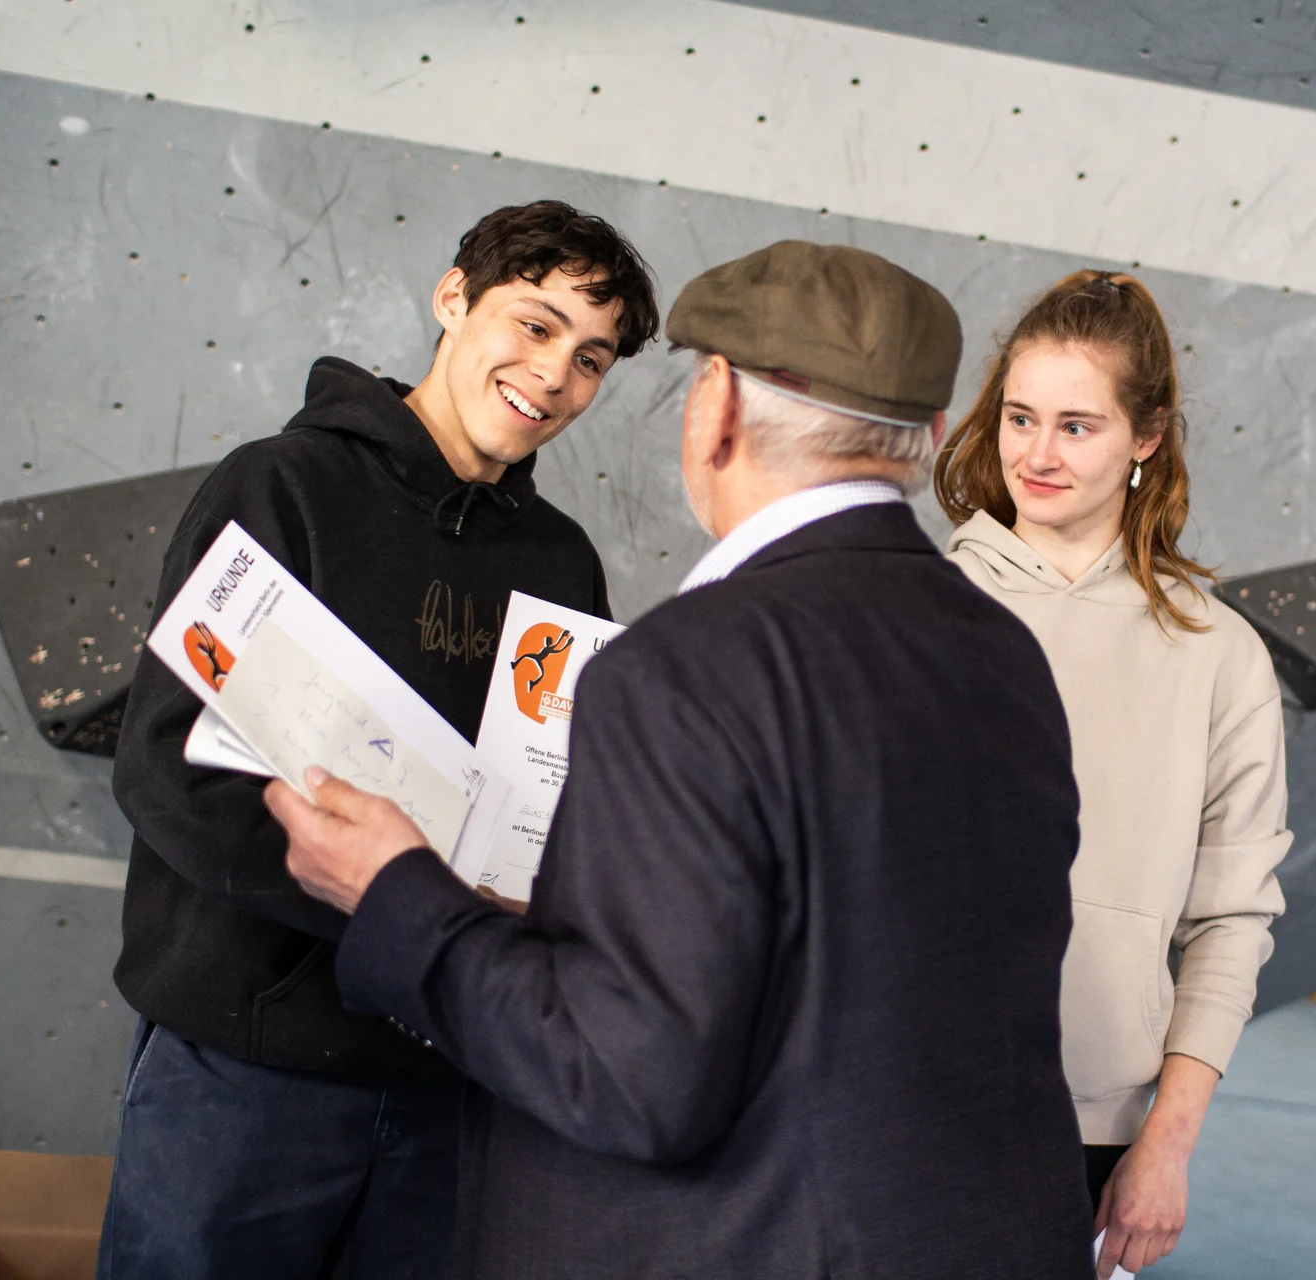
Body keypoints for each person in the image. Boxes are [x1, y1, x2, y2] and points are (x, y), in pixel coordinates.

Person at [265, 240, 1094, 1278]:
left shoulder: (687, 665)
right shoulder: (1001, 652)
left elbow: (629, 1076)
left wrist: (397, 895)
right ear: (926, 435)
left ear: (717, 407)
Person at [99, 200, 659, 1279]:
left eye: (591, 358)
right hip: (243, 1071)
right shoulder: (283, 486)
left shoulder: (564, 565)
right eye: (534, 325)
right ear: (453, 298)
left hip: (451, 1082)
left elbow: (547, 813)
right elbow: (166, 766)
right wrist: (381, 895)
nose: (555, 375)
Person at [936, 270, 1291, 1276]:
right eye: (1018, 417)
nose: (1036, 454)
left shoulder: (1218, 650)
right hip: (899, 1097)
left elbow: (1231, 918)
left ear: (1147, 436)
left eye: (1077, 426)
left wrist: (1165, 1143)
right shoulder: (914, 609)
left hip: (1097, 1128)